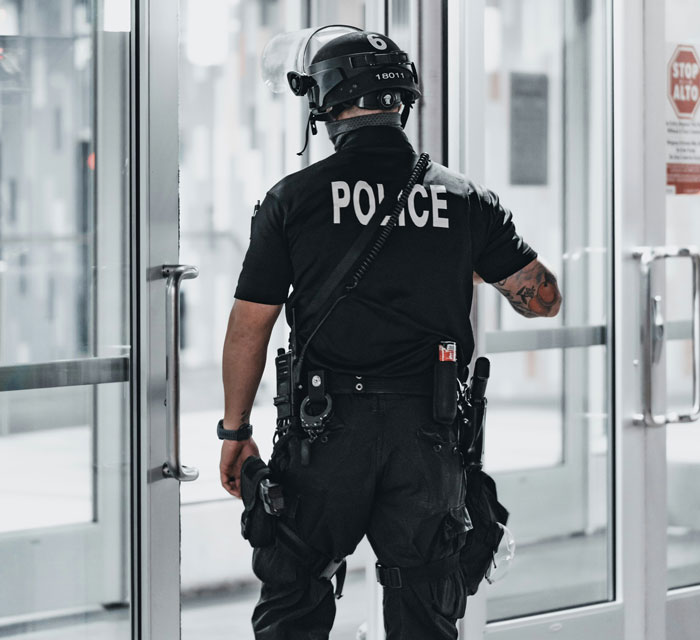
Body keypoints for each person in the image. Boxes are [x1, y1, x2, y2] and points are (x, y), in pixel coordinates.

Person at [218, 27, 562, 640]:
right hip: (428, 437)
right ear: (402, 101)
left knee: (295, 599)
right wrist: (460, 262)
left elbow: (250, 327)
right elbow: (543, 299)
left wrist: (235, 432)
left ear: (324, 105)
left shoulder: (293, 200)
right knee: (426, 613)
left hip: (325, 435)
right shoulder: (466, 200)